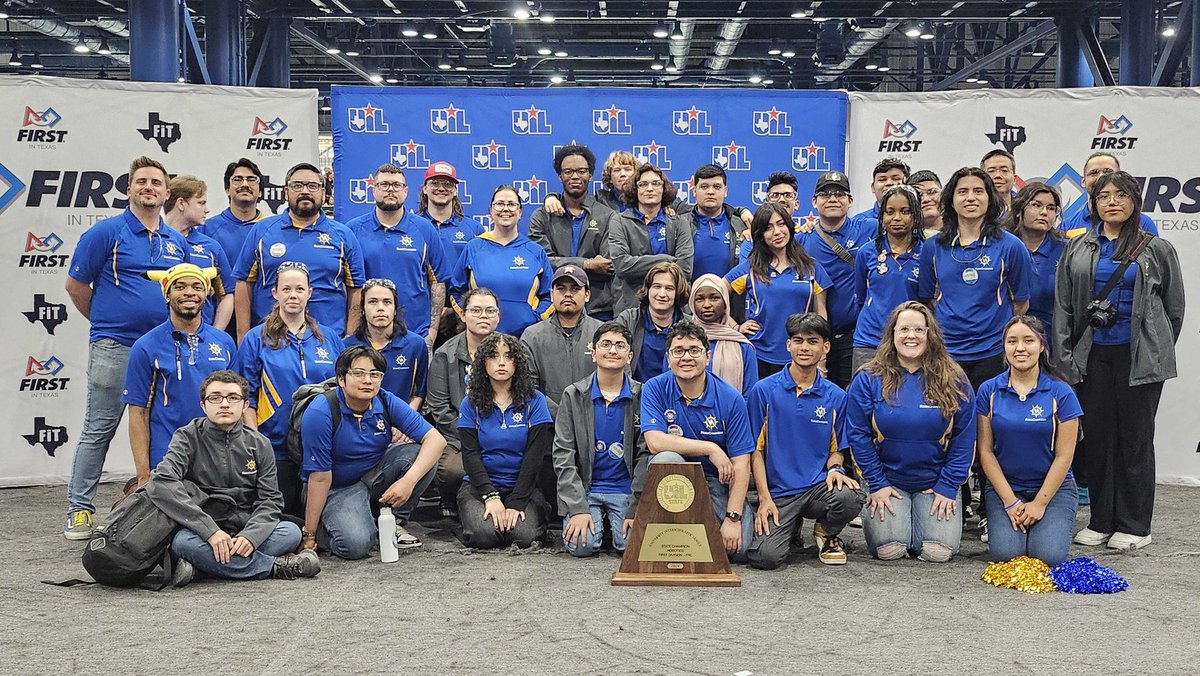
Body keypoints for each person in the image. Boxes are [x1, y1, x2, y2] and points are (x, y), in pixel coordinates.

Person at [1055, 170, 1184, 551]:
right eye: (1103, 196)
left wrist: (1155, 347)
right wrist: (1065, 360)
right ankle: (1101, 519)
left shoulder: (1156, 249)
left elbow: (1173, 309)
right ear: (1093, 204)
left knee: (1134, 439)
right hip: (1091, 355)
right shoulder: (1078, 248)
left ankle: (1135, 525)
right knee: (1097, 439)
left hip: (1139, 357)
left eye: (1120, 195)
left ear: (1134, 202)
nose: (1112, 201)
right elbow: (1064, 307)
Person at [62, 156, 190, 539]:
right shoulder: (105, 233)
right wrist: (107, 325)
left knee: (166, 429)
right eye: (141, 181)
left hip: (163, 349)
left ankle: (158, 500)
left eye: (156, 182)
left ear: (167, 193)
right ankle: (79, 508)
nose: (149, 187)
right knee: (99, 428)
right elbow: (76, 288)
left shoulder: (176, 242)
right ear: (130, 189)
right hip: (115, 347)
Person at [146, 370, 320, 585]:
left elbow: (271, 500)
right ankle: (275, 566)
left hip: (246, 523)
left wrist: (251, 537)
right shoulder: (186, 437)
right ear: (203, 405)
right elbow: (162, 482)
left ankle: (202, 569)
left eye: (233, 398)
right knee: (182, 542)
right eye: (215, 398)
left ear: (245, 405)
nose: (224, 404)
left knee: (291, 532)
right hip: (202, 527)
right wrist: (210, 531)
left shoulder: (259, 443)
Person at [847, 302, 975, 562]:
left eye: (919, 329)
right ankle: (903, 521)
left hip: (935, 484)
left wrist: (948, 485)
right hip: (887, 482)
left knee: (938, 552)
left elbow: (965, 436)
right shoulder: (869, 377)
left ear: (931, 334)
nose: (911, 336)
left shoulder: (954, 378)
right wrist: (877, 483)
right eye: (903, 329)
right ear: (892, 335)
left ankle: (922, 519)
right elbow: (858, 435)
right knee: (890, 550)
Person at [300, 346, 447, 559]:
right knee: (354, 546)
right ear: (341, 379)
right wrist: (309, 535)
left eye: (375, 374)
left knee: (422, 456)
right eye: (358, 373)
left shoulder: (385, 400)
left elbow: (436, 440)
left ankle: (393, 520)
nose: (368, 380)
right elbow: (320, 478)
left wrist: (409, 481)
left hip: (373, 475)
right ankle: (332, 525)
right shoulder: (320, 411)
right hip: (335, 487)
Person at [746, 313, 866, 569]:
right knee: (764, 558)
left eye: (812, 341)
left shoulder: (836, 396)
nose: (804, 347)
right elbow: (755, 452)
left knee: (851, 497)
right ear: (788, 345)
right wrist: (764, 498)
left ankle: (825, 531)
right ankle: (791, 526)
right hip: (778, 493)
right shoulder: (763, 391)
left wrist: (835, 469)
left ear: (826, 347)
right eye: (798, 340)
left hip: (815, 487)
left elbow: (837, 450)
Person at [235, 262, 344, 516]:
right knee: (284, 519)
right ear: (275, 293)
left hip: (323, 447)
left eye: (299, 289)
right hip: (276, 447)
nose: (293, 295)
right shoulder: (255, 339)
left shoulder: (329, 339)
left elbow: (342, 390)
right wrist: (257, 441)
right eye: (286, 289)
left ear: (310, 293)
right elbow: (245, 397)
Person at [640, 321, 756, 558]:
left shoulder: (731, 398)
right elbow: (654, 441)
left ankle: (707, 524)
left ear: (708, 355)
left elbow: (742, 463)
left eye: (694, 350)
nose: (686, 358)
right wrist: (710, 447)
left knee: (739, 550)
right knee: (666, 457)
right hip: (673, 482)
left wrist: (733, 518)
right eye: (678, 351)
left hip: (716, 480)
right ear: (668, 357)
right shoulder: (654, 388)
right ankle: (672, 527)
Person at [977, 316, 1081, 565]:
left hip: (1053, 490)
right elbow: (985, 452)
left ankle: (1045, 524)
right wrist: (1011, 502)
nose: (1020, 348)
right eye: (1012, 341)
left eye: (1028, 341)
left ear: (1042, 346)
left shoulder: (1061, 392)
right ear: (1004, 347)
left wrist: (1039, 504)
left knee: (1047, 556)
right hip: (1006, 488)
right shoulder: (988, 391)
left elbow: (1065, 456)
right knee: (1006, 555)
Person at [918, 166, 1033, 389]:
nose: (971, 198)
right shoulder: (932, 247)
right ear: (951, 200)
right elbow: (928, 300)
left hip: (993, 351)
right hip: (947, 351)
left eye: (979, 191)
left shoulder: (1011, 246)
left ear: (990, 198)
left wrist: (993, 328)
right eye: (962, 192)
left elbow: (1021, 302)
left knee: (989, 420)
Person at [123, 263, 237, 489]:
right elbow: (138, 413)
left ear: (206, 294)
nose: (189, 293)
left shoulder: (224, 342)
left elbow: (235, 405)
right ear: (167, 294)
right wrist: (143, 476)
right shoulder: (145, 346)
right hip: (167, 460)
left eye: (197, 287)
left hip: (217, 459)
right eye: (180, 287)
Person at [233, 162, 364, 340]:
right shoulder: (261, 231)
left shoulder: (343, 235)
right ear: (286, 192)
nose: (305, 191)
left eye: (313, 186)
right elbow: (243, 284)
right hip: (271, 340)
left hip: (327, 342)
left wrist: (350, 337)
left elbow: (355, 289)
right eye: (297, 185)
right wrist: (243, 336)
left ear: (324, 193)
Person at [552, 322, 648, 557]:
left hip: (625, 490)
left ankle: (613, 527)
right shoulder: (573, 395)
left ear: (629, 356)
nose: (612, 350)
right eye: (605, 344)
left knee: (631, 548)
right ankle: (596, 523)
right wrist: (577, 508)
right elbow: (563, 454)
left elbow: (646, 454)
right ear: (593, 353)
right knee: (581, 546)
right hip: (587, 489)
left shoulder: (642, 395)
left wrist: (636, 508)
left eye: (620, 345)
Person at [457, 333, 554, 549]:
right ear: (483, 362)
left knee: (524, 537)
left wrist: (517, 501)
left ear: (517, 362)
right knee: (484, 536)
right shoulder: (470, 402)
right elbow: (470, 455)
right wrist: (490, 496)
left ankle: (532, 517)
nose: (501, 362)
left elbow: (535, 456)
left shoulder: (535, 400)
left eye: (508, 356)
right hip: (480, 486)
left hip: (522, 486)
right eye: (494, 356)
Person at [346, 163, 451, 343]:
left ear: (406, 191)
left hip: (415, 333)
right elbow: (348, 286)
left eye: (396, 185)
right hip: (366, 336)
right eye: (384, 185)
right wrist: (352, 333)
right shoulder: (353, 230)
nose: (390, 190)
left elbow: (438, 283)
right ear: (374, 189)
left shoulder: (425, 229)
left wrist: (432, 332)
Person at [726, 203, 830, 378]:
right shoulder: (749, 269)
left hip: (801, 355)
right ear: (760, 235)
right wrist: (735, 326)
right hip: (758, 355)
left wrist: (821, 357)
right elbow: (712, 292)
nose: (777, 232)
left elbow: (821, 313)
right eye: (768, 227)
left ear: (790, 226)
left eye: (781, 224)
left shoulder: (812, 269)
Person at [426, 287, 501, 518]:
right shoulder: (445, 355)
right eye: (476, 310)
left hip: (504, 431)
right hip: (458, 434)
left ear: (499, 316)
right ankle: (451, 500)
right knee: (452, 470)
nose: (483, 316)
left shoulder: (510, 351)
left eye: (490, 311)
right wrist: (472, 434)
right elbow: (439, 408)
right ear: (463, 314)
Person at [798, 171, 874, 388]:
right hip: (812, 338)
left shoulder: (869, 229)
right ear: (814, 202)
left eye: (839, 194)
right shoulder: (800, 240)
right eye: (825, 194)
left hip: (855, 338)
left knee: (852, 400)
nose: (832, 199)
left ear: (850, 201)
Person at [529, 144, 617, 320]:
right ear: (560, 176)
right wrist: (587, 264)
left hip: (598, 309)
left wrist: (592, 265)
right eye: (568, 171)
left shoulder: (607, 216)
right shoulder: (542, 216)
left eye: (581, 171)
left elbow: (608, 265)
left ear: (590, 174)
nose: (575, 176)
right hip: (551, 307)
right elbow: (541, 261)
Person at [450, 185, 553, 337]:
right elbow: (455, 291)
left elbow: (550, 295)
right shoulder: (474, 247)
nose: (505, 209)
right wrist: (470, 318)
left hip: (525, 339)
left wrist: (535, 319)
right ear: (490, 212)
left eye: (511, 204)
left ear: (520, 212)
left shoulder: (535, 251)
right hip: (481, 338)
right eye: (499, 204)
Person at [853, 184, 924, 373]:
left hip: (910, 341)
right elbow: (860, 297)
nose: (897, 218)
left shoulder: (926, 253)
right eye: (890, 212)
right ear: (881, 216)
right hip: (870, 340)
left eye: (905, 211)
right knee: (863, 398)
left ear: (915, 215)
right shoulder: (866, 252)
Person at [607, 164, 694, 314]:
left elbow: (685, 269)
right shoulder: (619, 221)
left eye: (656, 183)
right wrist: (666, 260)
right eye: (643, 184)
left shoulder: (679, 223)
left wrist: (639, 265)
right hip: (631, 307)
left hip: (674, 308)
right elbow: (621, 265)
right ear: (635, 190)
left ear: (664, 188)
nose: (649, 188)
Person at [521, 265, 603, 415]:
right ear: (552, 295)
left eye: (575, 289)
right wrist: (559, 415)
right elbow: (527, 386)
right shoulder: (532, 336)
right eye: (561, 289)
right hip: (548, 423)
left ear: (587, 295)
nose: (568, 294)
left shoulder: (603, 334)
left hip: (595, 419)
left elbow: (617, 379)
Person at [343, 279, 429, 409]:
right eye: (373, 302)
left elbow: (419, 394)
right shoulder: (346, 347)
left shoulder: (415, 344)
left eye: (387, 302)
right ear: (362, 309)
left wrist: (405, 422)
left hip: (401, 423)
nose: (380, 308)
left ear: (395, 309)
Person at [164, 175, 235, 329]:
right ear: (181, 204)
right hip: (155, 337)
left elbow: (228, 295)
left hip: (199, 338)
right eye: (201, 203)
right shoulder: (151, 240)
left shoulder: (211, 247)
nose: (207, 209)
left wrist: (214, 333)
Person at [615, 261, 689, 383]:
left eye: (669, 288)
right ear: (648, 289)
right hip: (635, 396)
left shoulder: (689, 324)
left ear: (677, 292)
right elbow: (618, 359)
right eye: (656, 286)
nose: (662, 294)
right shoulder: (628, 320)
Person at [1008, 182, 1064, 329]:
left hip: (1053, 338)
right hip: (1007, 336)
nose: (1044, 212)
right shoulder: (1004, 247)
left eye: (1051, 208)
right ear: (1019, 210)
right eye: (1036, 205)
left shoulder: (1066, 250)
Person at [688, 274, 757, 395]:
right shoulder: (680, 342)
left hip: (732, 413)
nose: (707, 305)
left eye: (714, 298)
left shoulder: (743, 346)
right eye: (699, 299)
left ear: (725, 302)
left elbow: (749, 395)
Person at [1061, 152, 1158, 238]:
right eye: (1094, 173)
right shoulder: (1067, 226)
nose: (1101, 177)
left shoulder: (1143, 223)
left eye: (1108, 172)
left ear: (1120, 177)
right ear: (1083, 181)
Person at [200, 158, 267, 272]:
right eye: (238, 179)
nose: (245, 184)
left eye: (251, 179)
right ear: (227, 189)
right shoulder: (207, 228)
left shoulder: (270, 228)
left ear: (260, 191)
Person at [688, 164, 748, 281]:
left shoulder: (742, 225)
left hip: (733, 297)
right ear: (694, 191)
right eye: (704, 187)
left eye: (717, 187)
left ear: (725, 191)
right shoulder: (680, 224)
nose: (711, 192)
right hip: (689, 297)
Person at [416, 160, 484, 256]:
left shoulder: (474, 229)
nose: (441, 188)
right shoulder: (412, 226)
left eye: (448, 184)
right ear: (425, 189)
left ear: (455, 191)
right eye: (435, 183)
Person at [850, 157, 910, 231]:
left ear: (908, 185)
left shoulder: (917, 218)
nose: (889, 183)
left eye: (896, 179)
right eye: (882, 179)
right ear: (873, 187)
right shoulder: (858, 223)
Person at [981, 149, 1017, 218]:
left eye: (1004, 170)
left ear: (1014, 178)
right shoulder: (975, 207)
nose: (998, 175)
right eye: (991, 171)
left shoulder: (1025, 206)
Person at [908, 170, 944, 237]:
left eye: (932, 192)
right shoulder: (904, 239)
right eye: (918, 195)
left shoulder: (961, 231)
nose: (926, 199)